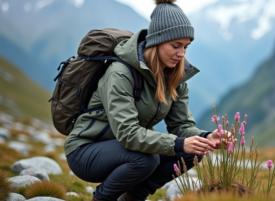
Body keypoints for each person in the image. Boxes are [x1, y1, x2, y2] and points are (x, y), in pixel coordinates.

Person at [64, 0, 232, 200]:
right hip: (86, 151)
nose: (182, 54)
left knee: (195, 151)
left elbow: (181, 126)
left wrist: (205, 137)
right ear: (156, 41)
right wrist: (179, 143)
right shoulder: (121, 73)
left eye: (186, 47)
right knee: (146, 159)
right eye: (175, 46)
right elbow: (127, 133)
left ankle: (132, 197)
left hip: (126, 149)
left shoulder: (175, 77)